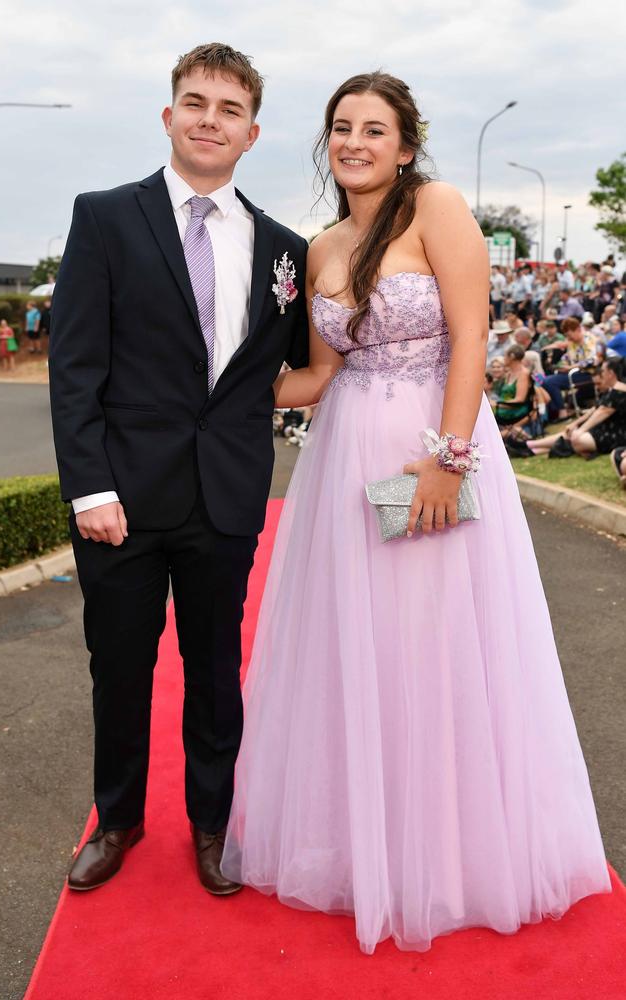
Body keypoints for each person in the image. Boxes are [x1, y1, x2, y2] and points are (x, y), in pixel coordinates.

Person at [221, 70, 610, 955]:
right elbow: (318, 375)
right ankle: (365, 848)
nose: (355, 141)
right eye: (341, 128)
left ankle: (451, 855)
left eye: (374, 128)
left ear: (405, 143)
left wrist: (449, 459)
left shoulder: (435, 206)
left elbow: (471, 335)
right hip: (342, 464)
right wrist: (204, 393)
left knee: (439, 645)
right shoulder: (320, 248)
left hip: (432, 449)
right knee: (359, 647)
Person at [49, 43, 309, 897]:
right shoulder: (105, 216)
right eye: (195, 103)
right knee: (118, 667)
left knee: (213, 671)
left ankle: (212, 825)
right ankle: (118, 818)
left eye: (229, 110)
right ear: (169, 116)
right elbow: (76, 368)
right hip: (119, 500)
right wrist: (89, 488)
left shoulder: (284, 249)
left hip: (225, 498)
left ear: (252, 133)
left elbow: (295, 366)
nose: (210, 119)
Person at [511, 360, 626, 459]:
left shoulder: (619, 391)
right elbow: (595, 410)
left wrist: (581, 429)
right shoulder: (612, 390)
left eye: (603, 371)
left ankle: (528, 447)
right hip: (602, 430)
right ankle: (530, 448)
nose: (601, 374)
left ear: (610, 373)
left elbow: (602, 411)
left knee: (576, 438)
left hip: (615, 435)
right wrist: (576, 424)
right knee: (572, 434)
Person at [541, 316, 597, 418]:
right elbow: (567, 357)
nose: (568, 338)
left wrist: (571, 367)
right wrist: (560, 366)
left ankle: (562, 411)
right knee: (545, 381)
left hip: (589, 373)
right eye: (566, 336)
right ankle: (560, 410)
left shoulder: (589, 339)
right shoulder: (572, 343)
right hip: (575, 373)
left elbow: (593, 360)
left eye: (569, 335)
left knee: (549, 382)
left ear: (578, 329)